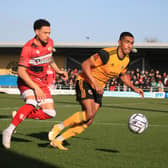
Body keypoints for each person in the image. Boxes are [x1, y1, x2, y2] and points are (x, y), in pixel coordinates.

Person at [48, 32, 144, 150]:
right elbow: (85, 65)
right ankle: (58, 127)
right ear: (120, 43)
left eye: (132, 43)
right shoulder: (106, 54)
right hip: (85, 81)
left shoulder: (126, 60)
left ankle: (58, 140)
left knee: (88, 121)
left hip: (98, 88)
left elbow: (123, 75)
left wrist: (134, 88)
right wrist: (94, 82)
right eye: (127, 42)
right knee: (89, 113)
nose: (129, 45)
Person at [2, 19, 68, 149]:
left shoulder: (50, 43)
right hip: (26, 81)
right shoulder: (28, 48)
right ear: (37, 32)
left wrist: (58, 71)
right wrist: (35, 88)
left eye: (49, 32)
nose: (48, 36)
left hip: (41, 82)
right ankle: (8, 130)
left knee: (50, 113)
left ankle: (20, 115)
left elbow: (49, 58)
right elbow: (21, 72)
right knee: (31, 103)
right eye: (45, 33)